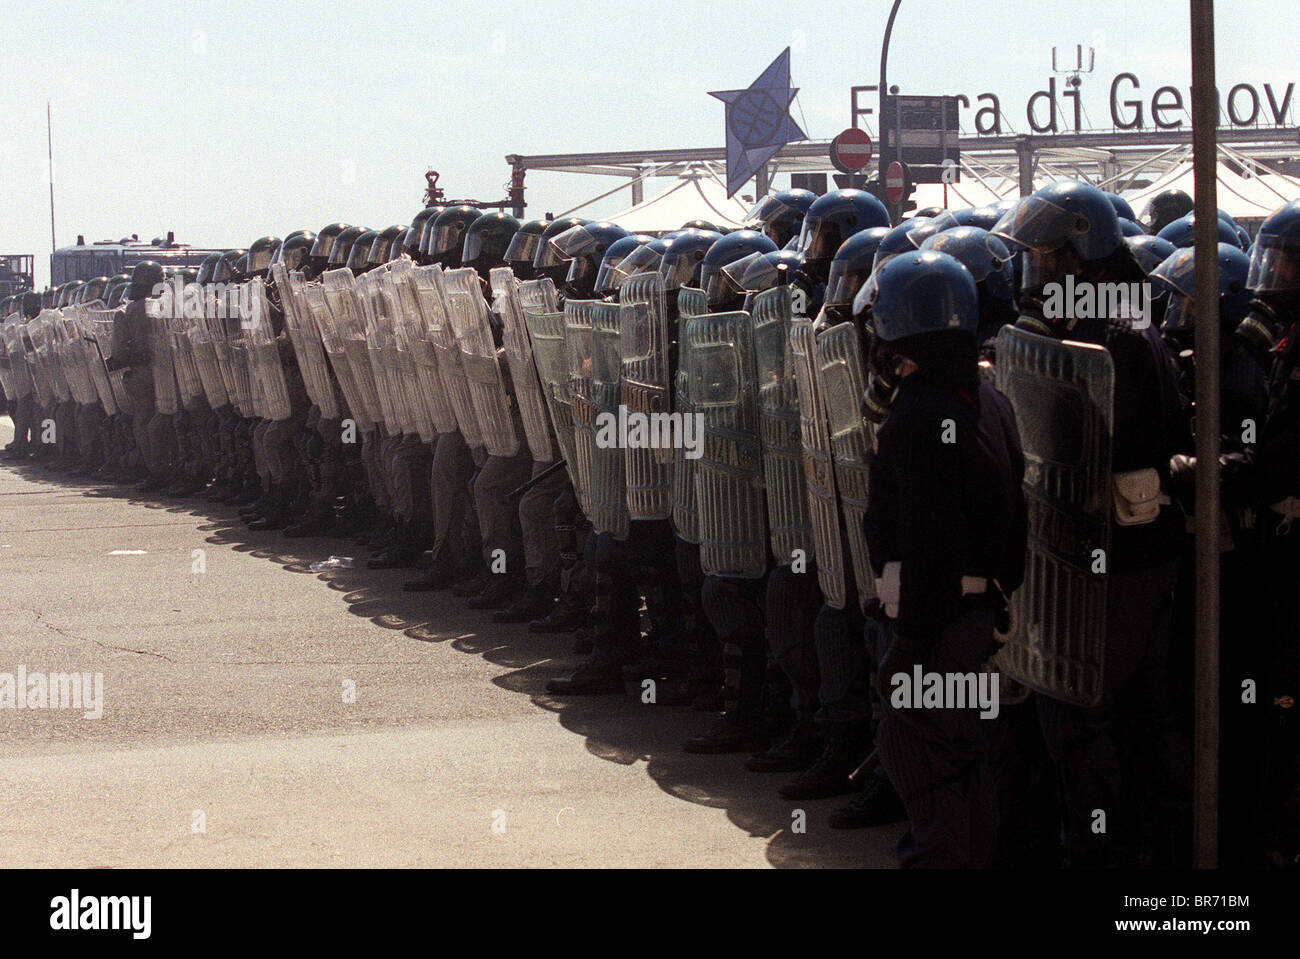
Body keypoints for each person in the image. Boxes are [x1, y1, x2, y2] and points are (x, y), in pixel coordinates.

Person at [996, 179, 1191, 868]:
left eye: (1048, 258)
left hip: (1124, 557)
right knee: (1121, 718)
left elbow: (1092, 446)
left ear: (1084, 254)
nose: (1037, 271)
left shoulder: (1119, 337)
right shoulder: (1090, 327)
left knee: (1088, 714)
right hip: (1097, 554)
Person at [862, 249, 1028, 868]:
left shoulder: (920, 415)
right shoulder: (987, 399)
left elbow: (930, 544)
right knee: (960, 759)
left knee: (923, 755)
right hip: (972, 615)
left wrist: (908, 644)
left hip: (937, 623)